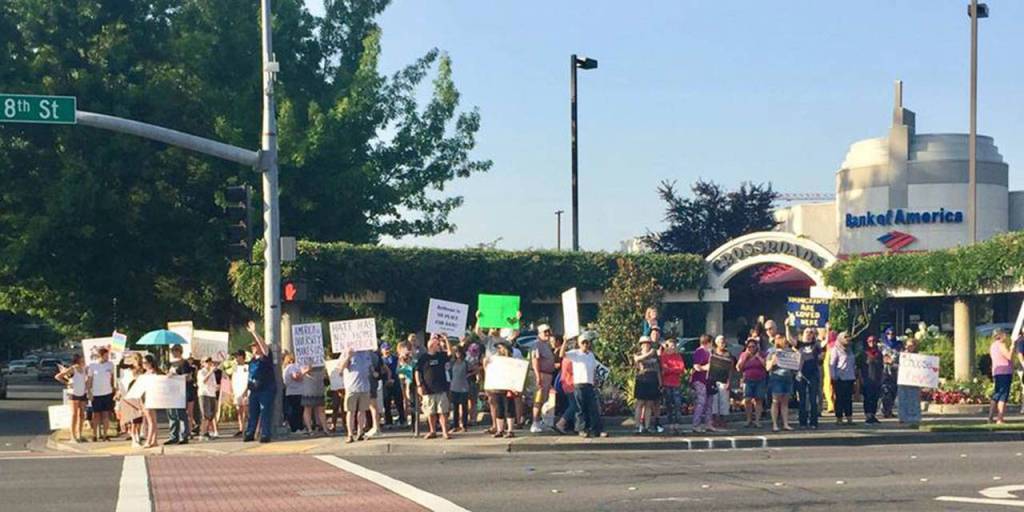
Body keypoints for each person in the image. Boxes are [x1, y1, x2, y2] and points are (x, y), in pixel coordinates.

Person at [559, 332, 607, 438]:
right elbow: (561, 355)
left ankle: (596, 430)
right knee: (579, 409)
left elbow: (594, 369)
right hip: (579, 384)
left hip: (589, 384)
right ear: (579, 344)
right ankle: (580, 429)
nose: (585, 345)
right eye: (583, 343)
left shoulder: (591, 355)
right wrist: (565, 342)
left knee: (593, 408)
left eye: (587, 342)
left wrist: (595, 381)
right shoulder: (575, 353)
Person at [416, 334, 455, 439]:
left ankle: (445, 432)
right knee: (430, 412)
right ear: (431, 346)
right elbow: (417, 371)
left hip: (441, 388)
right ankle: (432, 431)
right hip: (428, 389)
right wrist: (419, 385)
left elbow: (451, 353)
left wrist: (446, 339)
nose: (439, 346)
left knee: (443, 411)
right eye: (437, 344)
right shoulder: (423, 358)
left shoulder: (441, 356)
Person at [244, 321, 276, 443]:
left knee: (265, 411)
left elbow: (264, 346)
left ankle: (265, 434)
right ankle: (250, 432)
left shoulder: (266, 357)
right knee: (253, 413)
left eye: (255, 346)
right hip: (254, 390)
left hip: (266, 389)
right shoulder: (252, 361)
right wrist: (246, 392)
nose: (253, 348)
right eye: (252, 347)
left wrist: (254, 332)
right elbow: (250, 376)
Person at [486, 341, 518, 438]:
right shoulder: (495, 360)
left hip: (508, 387)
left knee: (509, 408)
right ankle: (500, 430)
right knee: (499, 408)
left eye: (500, 348)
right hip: (497, 387)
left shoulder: (511, 360)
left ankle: (510, 430)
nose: (499, 350)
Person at [341, 346, 373, 443]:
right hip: (352, 387)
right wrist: (348, 356)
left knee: (362, 411)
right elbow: (341, 368)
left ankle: (360, 432)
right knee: (350, 411)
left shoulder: (366, 353)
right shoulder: (347, 351)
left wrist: (373, 371)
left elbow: (370, 366)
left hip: (364, 387)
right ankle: (350, 434)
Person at [529, 324, 558, 433]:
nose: (547, 334)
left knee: (544, 400)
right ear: (539, 333)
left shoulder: (546, 345)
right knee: (538, 399)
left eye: (548, 331)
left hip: (547, 375)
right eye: (545, 332)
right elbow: (535, 361)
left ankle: (540, 421)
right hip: (541, 374)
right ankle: (535, 422)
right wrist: (537, 376)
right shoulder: (537, 345)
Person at [792, 326, 822, 429]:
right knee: (802, 399)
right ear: (803, 334)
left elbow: (821, 356)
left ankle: (814, 422)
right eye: (807, 332)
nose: (809, 334)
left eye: (811, 332)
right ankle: (802, 422)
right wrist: (787, 326)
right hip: (801, 374)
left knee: (813, 399)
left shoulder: (816, 345)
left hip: (813, 374)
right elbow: (790, 340)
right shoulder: (799, 344)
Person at [766, 333, 797, 432]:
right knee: (775, 401)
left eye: (782, 338)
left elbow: (795, 365)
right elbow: (767, 368)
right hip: (776, 378)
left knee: (785, 402)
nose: (782, 340)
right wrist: (773, 361)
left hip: (788, 378)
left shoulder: (790, 351)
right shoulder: (772, 352)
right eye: (779, 338)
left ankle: (785, 424)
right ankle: (775, 424)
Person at [55, 354, 88, 443]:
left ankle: (79, 434)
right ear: (78, 360)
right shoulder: (72, 369)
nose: (83, 360)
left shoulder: (84, 369)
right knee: (74, 414)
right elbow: (58, 376)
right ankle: (73, 436)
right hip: (73, 393)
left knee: (81, 414)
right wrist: (67, 383)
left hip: (82, 392)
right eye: (82, 359)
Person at [85, 347, 116, 442]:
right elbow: (89, 380)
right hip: (96, 393)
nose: (107, 358)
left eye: (108, 356)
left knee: (106, 414)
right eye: (106, 356)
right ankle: (94, 434)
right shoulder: (92, 366)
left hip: (107, 392)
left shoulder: (110, 365)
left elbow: (112, 378)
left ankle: (105, 435)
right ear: (100, 356)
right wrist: (89, 392)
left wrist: (113, 389)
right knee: (96, 415)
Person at [632, 336, 662, 434]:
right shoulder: (638, 354)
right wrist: (649, 354)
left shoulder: (655, 356)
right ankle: (637, 426)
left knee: (649, 404)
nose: (646, 345)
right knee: (640, 403)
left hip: (652, 380)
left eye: (648, 343)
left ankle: (647, 426)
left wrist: (660, 382)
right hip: (641, 379)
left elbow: (657, 369)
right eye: (644, 343)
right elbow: (637, 360)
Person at [165, 344, 192, 445]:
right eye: (172, 351)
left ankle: (183, 435)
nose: (173, 352)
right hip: (171, 391)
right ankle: (173, 436)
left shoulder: (184, 363)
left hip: (180, 391)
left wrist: (176, 376)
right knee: (172, 414)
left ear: (179, 351)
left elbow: (188, 377)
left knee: (181, 413)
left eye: (175, 350)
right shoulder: (170, 363)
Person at [736, 338, 767, 428]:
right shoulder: (743, 355)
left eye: (753, 346)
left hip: (760, 380)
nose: (751, 348)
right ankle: (749, 419)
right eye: (749, 347)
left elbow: (766, 366)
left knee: (758, 399)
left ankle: (757, 420)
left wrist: (758, 357)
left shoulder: (762, 354)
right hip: (747, 380)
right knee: (747, 399)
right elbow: (738, 368)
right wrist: (745, 358)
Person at [659, 338, 686, 433]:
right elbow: (664, 370)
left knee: (678, 405)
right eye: (670, 346)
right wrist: (675, 369)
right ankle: (671, 425)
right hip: (667, 383)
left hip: (676, 383)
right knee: (669, 405)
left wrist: (671, 369)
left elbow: (682, 369)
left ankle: (677, 425)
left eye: (674, 346)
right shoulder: (664, 356)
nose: (672, 348)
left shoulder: (678, 356)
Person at [829, 332, 856, 425]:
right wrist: (833, 377)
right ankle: (839, 418)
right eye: (845, 337)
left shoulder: (850, 349)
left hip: (850, 377)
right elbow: (832, 364)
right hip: (839, 378)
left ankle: (849, 418)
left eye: (848, 337)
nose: (847, 339)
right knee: (839, 399)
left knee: (848, 399)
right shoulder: (835, 349)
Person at [710, 335, 735, 430]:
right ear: (717, 343)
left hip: (724, 380)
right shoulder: (712, 353)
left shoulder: (729, 354)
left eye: (724, 341)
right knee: (714, 400)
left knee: (724, 401)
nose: (723, 343)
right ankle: (714, 420)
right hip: (713, 379)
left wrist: (729, 381)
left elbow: (731, 369)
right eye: (721, 342)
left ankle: (723, 420)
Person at [988, 330, 1013, 424]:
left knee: (997, 394)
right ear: (1001, 335)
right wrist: (1012, 347)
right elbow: (1009, 356)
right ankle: (1000, 418)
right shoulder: (1001, 345)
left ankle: (991, 417)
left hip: (997, 372)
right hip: (1005, 372)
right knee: (1003, 395)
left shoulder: (993, 346)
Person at [690, 335, 714, 433]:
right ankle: (696, 424)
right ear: (707, 342)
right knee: (701, 402)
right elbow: (696, 366)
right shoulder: (699, 352)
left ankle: (708, 424)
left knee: (709, 403)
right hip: (700, 380)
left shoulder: (709, 352)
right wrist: (706, 367)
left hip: (709, 380)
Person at [896, 339, 922, 428]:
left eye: (911, 345)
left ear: (915, 346)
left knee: (914, 398)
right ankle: (903, 417)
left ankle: (914, 417)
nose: (909, 347)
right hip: (903, 380)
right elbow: (895, 365)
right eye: (907, 345)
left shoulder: (919, 356)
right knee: (903, 398)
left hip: (914, 380)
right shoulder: (901, 355)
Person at [380, 342, 406, 428]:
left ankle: (402, 420)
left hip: (395, 382)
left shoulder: (395, 358)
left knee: (399, 401)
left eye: (388, 348)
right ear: (382, 350)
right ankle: (388, 422)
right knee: (386, 403)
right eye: (385, 349)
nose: (387, 350)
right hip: (385, 383)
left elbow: (400, 368)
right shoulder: (380, 360)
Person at [140, 355, 162, 448]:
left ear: (150, 363)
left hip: (151, 398)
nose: (143, 364)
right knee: (152, 420)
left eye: (145, 362)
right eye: (143, 362)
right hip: (145, 397)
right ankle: (154, 440)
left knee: (151, 420)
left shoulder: (153, 373)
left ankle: (149, 441)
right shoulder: (146, 373)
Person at [301, 362, 329, 437]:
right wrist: (307, 370)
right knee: (308, 409)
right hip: (308, 389)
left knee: (321, 409)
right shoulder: (303, 362)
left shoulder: (320, 362)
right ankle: (310, 430)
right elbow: (299, 375)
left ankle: (325, 429)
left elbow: (325, 375)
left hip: (318, 388)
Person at [281, 353, 305, 433]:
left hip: (290, 391)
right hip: (296, 391)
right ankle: (297, 428)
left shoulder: (285, 368)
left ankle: (295, 427)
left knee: (293, 410)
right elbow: (295, 377)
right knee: (297, 411)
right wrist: (305, 372)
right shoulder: (292, 367)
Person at [197, 357, 219, 439]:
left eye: (210, 361)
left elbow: (213, 384)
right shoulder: (201, 372)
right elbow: (203, 381)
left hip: (212, 394)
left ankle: (206, 431)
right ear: (202, 363)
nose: (209, 363)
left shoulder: (212, 373)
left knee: (211, 415)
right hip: (204, 394)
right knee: (205, 415)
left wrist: (217, 387)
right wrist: (210, 372)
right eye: (206, 361)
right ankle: (202, 433)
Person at [449, 345, 471, 433]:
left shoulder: (466, 363)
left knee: (464, 407)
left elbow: (474, 369)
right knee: (455, 408)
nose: (457, 354)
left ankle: (464, 425)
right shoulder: (452, 362)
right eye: (456, 352)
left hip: (464, 387)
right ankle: (455, 425)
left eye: (459, 352)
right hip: (454, 387)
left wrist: (468, 375)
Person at [229, 350, 249, 436]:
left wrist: (246, 389)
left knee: (246, 410)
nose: (236, 358)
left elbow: (249, 379)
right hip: (237, 391)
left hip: (245, 391)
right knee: (239, 410)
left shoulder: (247, 366)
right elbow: (233, 378)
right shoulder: (235, 367)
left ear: (242, 356)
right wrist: (232, 390)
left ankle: (247, 428)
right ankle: (241, 428)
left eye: (237, 356)